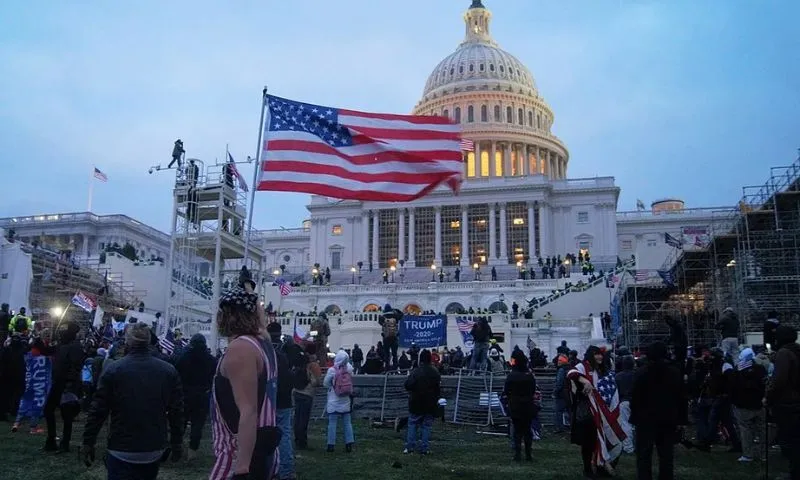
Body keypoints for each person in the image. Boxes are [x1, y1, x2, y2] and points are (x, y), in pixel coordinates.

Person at [81, 323, 184, 479]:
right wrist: (177, 442)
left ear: (127, 342)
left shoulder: (114, 370)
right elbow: (176, 411)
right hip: (153, 447)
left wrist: (88, 442)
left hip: (121, 447)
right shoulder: (168, 371)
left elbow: (98, 410)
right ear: (149, 341)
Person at [210, 287, 281, 480]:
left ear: (229, 316)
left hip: (237, 456)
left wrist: (241, 470)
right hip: (264, 452)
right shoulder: (263, 344)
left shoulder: (241, 348)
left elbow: (248, 411)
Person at [568, 346, 625, 479]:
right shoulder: (583, 367)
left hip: (604, 412)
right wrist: (585, 380)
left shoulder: (604, 370)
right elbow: (571, 373)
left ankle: (602, 466)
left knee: (605, 440)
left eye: (600, 355)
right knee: (589, 442)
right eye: (596, 355)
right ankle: (588, 468)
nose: (599, 357)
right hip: (588, 413)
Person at [630, 342, 683, 480]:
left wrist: (634, 415)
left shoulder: (641, 372)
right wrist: (680, 419)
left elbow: (635, 396)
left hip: (646, 418)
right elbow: (680, 397)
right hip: (667, 417)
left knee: (644, 455)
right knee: (666, 455)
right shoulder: (674, 372)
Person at [42, 322, 84, 453]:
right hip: (57, 383)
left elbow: (75, 367)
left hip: (67, 385)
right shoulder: (61, 345)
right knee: (48, 410)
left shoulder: (76, 347)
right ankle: (51, 440)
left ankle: (65, 444)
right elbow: (46, 351)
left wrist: (69, 385)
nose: (61, 333)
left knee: (67, 416)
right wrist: (40, 337)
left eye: (63, 331)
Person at [174, 333, 216, 460]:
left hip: (185, 394)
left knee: (181, 422)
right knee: (198, 424)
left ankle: (177, 448)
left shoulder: (183, 358)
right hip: (202, 395)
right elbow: (213, 378)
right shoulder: (211, 359)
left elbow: (176, 374)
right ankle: (193, 450)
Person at [766, 326, 800, 479]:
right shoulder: (796, 351)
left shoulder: (784, 353)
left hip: (788, 403)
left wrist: (768, 396)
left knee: (789, 441)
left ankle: (795, 473)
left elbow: (779, 381)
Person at [267, 322, 296, 480]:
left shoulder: (266, 354)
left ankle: (272, 467)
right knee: (284, 434)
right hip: (284, 400)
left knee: (267, 435)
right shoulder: (286, 352)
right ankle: (286, 469)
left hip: (270, 400)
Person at [728, 347, 767, 463]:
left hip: (742, 406)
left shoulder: (737, 370)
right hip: (759, 404)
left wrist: (734, 401)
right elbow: (765, 384)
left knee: (745, 431)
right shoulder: (761, 369)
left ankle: (747, 455)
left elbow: (732, 388)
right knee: (762, 430)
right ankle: (763, 455)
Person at [403, 349, 441, 455]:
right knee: (426, 426)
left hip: (416, 403)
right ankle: (424, 448)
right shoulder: (435, 372)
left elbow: (407, 385)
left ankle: (409, 447)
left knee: (412, 424)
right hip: (430, 404)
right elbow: (438, 389)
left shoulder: (416, 372)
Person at [503, 349, 537, 462]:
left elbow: (506, 390)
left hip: (515, 405)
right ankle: (528, 454)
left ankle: (517, 454)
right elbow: (533, 390)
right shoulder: (529, 375)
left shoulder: (511, 376)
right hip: (528, 405)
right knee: (527, 430)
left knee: (517, 431)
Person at [323, 350, 355, 453]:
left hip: (334, 399)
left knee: (332, 423)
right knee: (347, 423)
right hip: (345, 399)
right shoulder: (349, 369)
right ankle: (349, 444)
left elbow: (325, 383)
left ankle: (331, 445)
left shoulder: (332, 370)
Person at [293, 343, 322, 451]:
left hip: (296, 391)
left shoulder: (300, 360)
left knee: (297, 417)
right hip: (307, 393)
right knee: (304, 419)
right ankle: (302, 442)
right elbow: (317, 381)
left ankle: (297, 439)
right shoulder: (313, 364)